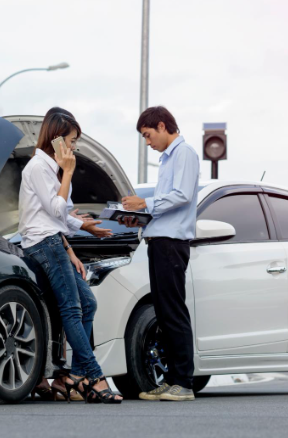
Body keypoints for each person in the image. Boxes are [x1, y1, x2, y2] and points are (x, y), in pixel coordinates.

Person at [19, 108, 122, 404]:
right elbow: (55, 211)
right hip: (44, 245)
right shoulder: (39, 168)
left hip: (54, 241)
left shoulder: (51, 168)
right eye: (72, 140)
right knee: (73, 310)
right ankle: (94, 376)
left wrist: (86, 226)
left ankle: (77, 375)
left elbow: (62, 213)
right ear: (57, 138)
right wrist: (68, 171)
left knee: (87, 303)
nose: (75, 146)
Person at [122, 106, 200, 401]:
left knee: (174, 312)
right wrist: (139, 216)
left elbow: (182, 196)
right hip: (159, 241)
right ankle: (171, 381)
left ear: (162, 125)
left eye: (148, 135)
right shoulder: (168, 159)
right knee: (164, 314)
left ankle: (184, 382)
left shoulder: (184, 153)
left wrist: (145, 204)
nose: (147, 142)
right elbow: (166, 204)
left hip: (171, 243)